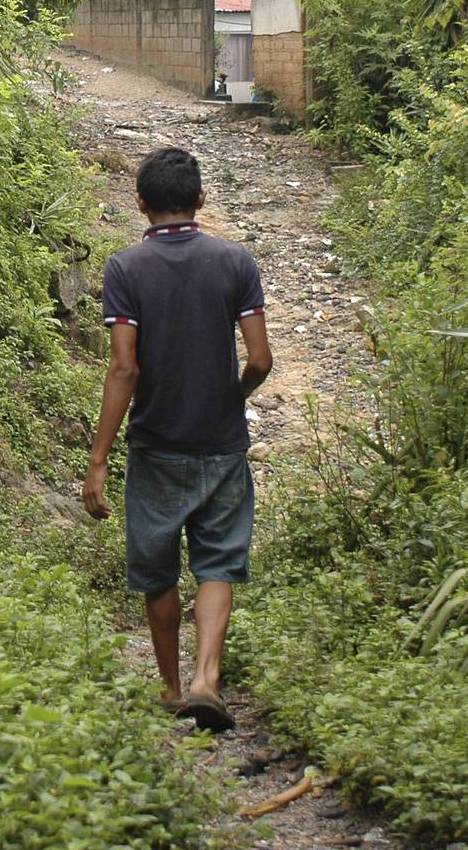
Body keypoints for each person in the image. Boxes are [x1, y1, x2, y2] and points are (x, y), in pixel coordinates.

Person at [82, 147, 273, 732]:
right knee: (218, 562)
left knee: (158, 570)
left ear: (140, 204)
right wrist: (232, 395)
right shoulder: (235, 262)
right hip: (222, 443)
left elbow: (123, 369)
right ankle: (206, 680)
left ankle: (169, 688)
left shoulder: (126, 269)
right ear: (201, 200)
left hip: (156, 445)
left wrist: (97, 460)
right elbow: (261, 359)